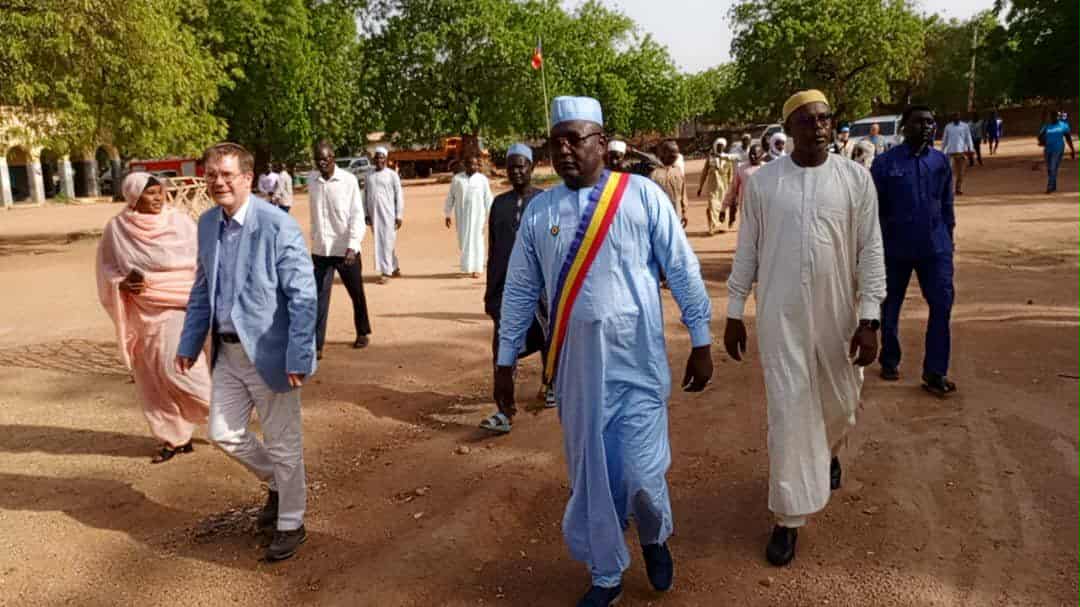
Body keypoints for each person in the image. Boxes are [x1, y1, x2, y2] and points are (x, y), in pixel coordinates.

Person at [495, 96, 712, 607]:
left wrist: (701, 338)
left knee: (640, 475)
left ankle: (655, 535)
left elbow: (680, 267)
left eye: (577, 139)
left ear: (601, 140)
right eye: (557, 140)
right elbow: (521, 290)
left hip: (638, 363)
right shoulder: (540, 211)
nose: (566, 149)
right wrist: (504, 360)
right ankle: (606, 572)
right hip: (575, 372)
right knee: (592, 474)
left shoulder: (640, 195)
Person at [724, 90, 885, 568]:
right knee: (791, 414)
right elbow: (748, 251)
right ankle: (787, 518)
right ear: (788, 129)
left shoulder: (856, 180)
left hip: (838, 315)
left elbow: (870, 250)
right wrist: (734, 310)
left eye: (825, 118)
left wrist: (870, 317)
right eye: (807, 120)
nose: (818, 127)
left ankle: (828, 450)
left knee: (841, 403)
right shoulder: (765, 184)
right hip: (781, 316)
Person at [175, 142, 318, 562]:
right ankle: (279, 482)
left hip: (271, 354)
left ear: (247, 179)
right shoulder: (206, 225)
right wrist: (188, 341)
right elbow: (203, 288)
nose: (218, 181)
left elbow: (303, 296)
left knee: (284, 442)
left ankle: (292, 522)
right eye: (212, 174)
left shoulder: (277, 226)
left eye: (227, 174)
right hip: (228, 353)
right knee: (222, 433)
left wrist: (299, 355)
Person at [97, 172, 211, 463]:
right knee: (153, 377)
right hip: (143, 309)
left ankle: (223, 411)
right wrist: (121, 283)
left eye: (161, 192)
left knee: (177, 366)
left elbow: (203, 261)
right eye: (151, 193)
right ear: (134, 197)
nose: (159, 197)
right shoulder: (118, 228)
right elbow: (107, 269)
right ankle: (174, 438)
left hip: (181, 303)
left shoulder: (181, 223)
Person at [871, 105, 957, 397]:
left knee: (942, 305)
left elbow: (947, 205)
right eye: (919, 122)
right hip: (895, 248)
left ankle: (935, 372)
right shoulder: (884, 164)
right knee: (890, 306)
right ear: (904, 126)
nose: (927, 127)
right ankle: (890, 359)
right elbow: (874, 211)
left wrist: (949, 241)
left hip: (936, 248)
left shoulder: (941, 162)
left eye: (931, 122)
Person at [479, 143, 552, 434]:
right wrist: (491, 292)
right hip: (507, 290)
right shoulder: (500, 204)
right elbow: (494, 251)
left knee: (548, 336)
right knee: (502, 349)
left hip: (540, 287)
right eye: (512, 167)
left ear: (532, 167)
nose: (517, 171)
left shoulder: (545, 202)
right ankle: (504, 410)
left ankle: (551, 385)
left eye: (522, 166)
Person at [308, 140, 372, 357]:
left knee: (356, 293)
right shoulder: (312, 181)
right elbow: (314, 215)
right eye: (318, 160)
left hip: (346, 250)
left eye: (325, 159)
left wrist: (353, 246)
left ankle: (362, 332)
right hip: (321, 250)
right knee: (318, 297)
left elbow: (356, 214)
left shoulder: (348, 180)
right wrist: (314, 239)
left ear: (333, 157)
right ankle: (317, 344)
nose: (322, 163)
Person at [444, 154, 494, 278]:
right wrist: (447, 214)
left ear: (478, 165)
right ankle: (467, 266)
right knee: (464, 241)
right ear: (464, 165)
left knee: (477, 241)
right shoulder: (457, 179)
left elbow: (488, 198)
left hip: (478, 217)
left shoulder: (482, 179)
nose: (473, 166)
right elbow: (451, 197)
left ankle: (476, 268)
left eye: (475, 164)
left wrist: (492, 214)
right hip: (462, 217)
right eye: (470, 164)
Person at [364, 146, 405, 283]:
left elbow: (399, 195)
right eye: (376, 157)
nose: (379, 160)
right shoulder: (369, 175)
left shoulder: (392, 175)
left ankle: (386, 273)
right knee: (382, 242)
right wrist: (366, 214)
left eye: (381, 157)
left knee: (387, 242)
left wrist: (399, 215)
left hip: (389, 215)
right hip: (374, 215)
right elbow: (365, 195)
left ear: (386, 159)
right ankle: (394, 267)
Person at [720, 142, 764, 228]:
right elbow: (732, 190)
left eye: (755, 154)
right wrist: (723, 208)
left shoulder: (766, 168)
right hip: (746, 208)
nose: (752, 156)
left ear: (761, 155)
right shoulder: (741, 169)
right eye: (751, 154)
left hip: (763, 208)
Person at [697, 137, 736, 234]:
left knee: (721, 207)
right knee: (712, 206)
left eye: (722, 147)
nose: (720, 148)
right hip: (712, 187)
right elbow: (704, 173)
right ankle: (711, 227)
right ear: (715, 147)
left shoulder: (728, 159)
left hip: (724, 188)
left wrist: (731, 189)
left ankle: (718, 226)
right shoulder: (710, 159)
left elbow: (730, 175)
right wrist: (700, 187)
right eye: (718, 146)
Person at [650, 139, 688, 227]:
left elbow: (683, 194)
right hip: (659, 216)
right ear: (662, 154)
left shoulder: (677, 171)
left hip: (677, 213)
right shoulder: (653, 173)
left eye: (676, 154)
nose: (674, 156)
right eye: (671, 154)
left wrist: (684, 212)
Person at [1038, 111, 1075, 194]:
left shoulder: (1063, 126)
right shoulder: (1046, 126)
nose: (1056, 117)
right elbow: (1040, 137)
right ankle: (1053, 185)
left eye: (1058, 116)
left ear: (1059, 117)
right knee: (1049, 169)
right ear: (1051, 117)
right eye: (1054, 116)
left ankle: (1050, 187)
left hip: (1058, 149)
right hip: (1048, 149)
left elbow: (1068, 138)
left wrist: (1072, 150)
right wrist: (1042, 140)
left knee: (1053, 167)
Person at [941, 113, 974, 195]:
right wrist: (942, 151)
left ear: (960, 118)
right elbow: (944, 139)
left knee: (961, 173)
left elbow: (968, 138)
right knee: (948, 172)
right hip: (950, 153)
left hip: (961, 152)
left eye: (958, 117)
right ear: (952, 119)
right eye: (954, 117)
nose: (956, 119)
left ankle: (958, 189)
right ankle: (948, 189)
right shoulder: (948, 127)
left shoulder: (965, 126)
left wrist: (971, 148)